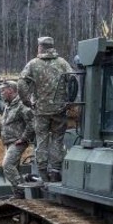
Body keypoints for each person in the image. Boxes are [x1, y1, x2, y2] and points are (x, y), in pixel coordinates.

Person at [18, 36, 73, 182]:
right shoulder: (63, 63)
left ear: (41, 47)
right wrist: (70, 101)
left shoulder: (33, 64)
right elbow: (74, 81)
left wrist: (27, 101)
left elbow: (21, 83)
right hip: (59, 110)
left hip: (41, 111)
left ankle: (42, 172)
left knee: (41, 140)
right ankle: (55, 171)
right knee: (57, 140)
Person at [0, 81, 34, 198]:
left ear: (11, 90)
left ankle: (21, 192)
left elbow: (32, 123)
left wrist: (23, 138)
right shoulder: (8, 105)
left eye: (3, 90)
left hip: (17, 142)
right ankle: (19, 196)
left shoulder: (21, 105)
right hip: (9, 142)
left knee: (7, 165)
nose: (1, 93)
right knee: (15, 169)